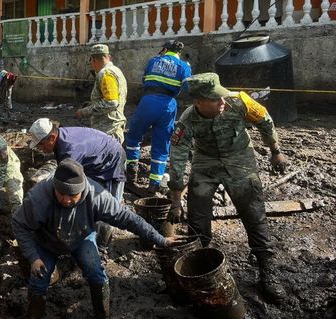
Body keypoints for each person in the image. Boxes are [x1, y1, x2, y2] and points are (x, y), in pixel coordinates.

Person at [168, 73, 289, 303]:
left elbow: (264, 119)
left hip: (239, 158)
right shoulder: (187, 120)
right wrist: (175, 202)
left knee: (253, 211)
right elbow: (177, 158)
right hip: (206, 161)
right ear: (198, 102)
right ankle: (199, 267)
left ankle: (267, 270)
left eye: (221, 97)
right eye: (215, 100)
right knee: (197, 213)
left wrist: (275, 151)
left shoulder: (239, 101)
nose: (222, 102)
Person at [13, 159, 178, 319]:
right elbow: (20, 225)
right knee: (38, 279)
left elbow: (127, 218)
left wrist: (160, 239)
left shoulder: (97, 196)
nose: (66, 200)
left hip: (81, 237)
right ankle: (34, 318)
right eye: (61, 193)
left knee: (96, 273)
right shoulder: (38, 198)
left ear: (82, 188)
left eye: (72, 195)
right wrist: (33, 257)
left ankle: (102, 316)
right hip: (46, 241)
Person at [28, 117, 126, 248]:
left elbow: (66, 179)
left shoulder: (70, 149)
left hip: (111, 161)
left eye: (41, 144)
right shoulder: (60, 138)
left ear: (51, 137)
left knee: (107, 206)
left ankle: (102, 246)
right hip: (94, 160)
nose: (40, 148)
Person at [125, 40, 192, 193]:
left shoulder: (153, 61)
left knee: (134, 137)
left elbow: (145, 80)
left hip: (148, 101)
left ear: (165, 49)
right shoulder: (184, 66)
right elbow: (189, 88)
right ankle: (155, 183)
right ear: (178, 53)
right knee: (162, 144)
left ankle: (131, 173)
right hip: (168, 105)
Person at [75, 44, 128, 142]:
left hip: (107, 131)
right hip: (112, 129)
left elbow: (111, 102)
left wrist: (84, 112)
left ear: (93, 59)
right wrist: (91, 104)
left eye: (91, 61)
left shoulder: (105, 74)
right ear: (109, 57)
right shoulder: (116, 71)